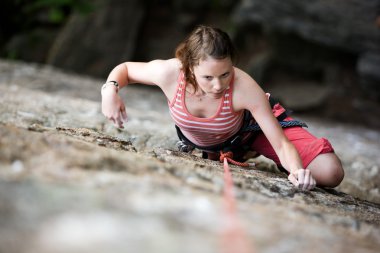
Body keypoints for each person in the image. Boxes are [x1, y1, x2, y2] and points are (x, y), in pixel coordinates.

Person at [101, 25, 344, 191]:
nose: (218, 85)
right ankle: (242, 153)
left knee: (330, 173)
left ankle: (256, 151)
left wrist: (297, 171)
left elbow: (281, 143)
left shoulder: (245, 87)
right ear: (187, 68)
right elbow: (125, 69)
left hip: (254, 128)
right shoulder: (169, 73)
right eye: (208, 77)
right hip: (217, 146)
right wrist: (110, 90)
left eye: (225, 74)